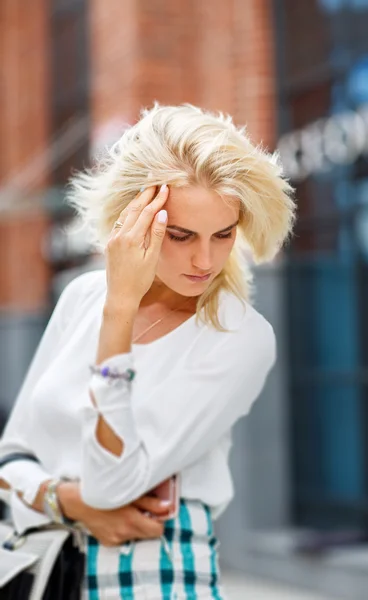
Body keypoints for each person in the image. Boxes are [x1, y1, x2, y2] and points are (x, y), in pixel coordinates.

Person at [0, 104, 295, 599]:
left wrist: (119, 312)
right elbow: (9, 460)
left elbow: (111, 486)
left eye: (223, 234)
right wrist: (67, 501)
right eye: (180, 236)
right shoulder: (81, 299)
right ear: (134, 221)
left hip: (153, 577)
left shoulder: (239, 335)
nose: (205, 260)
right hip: (46, 572)